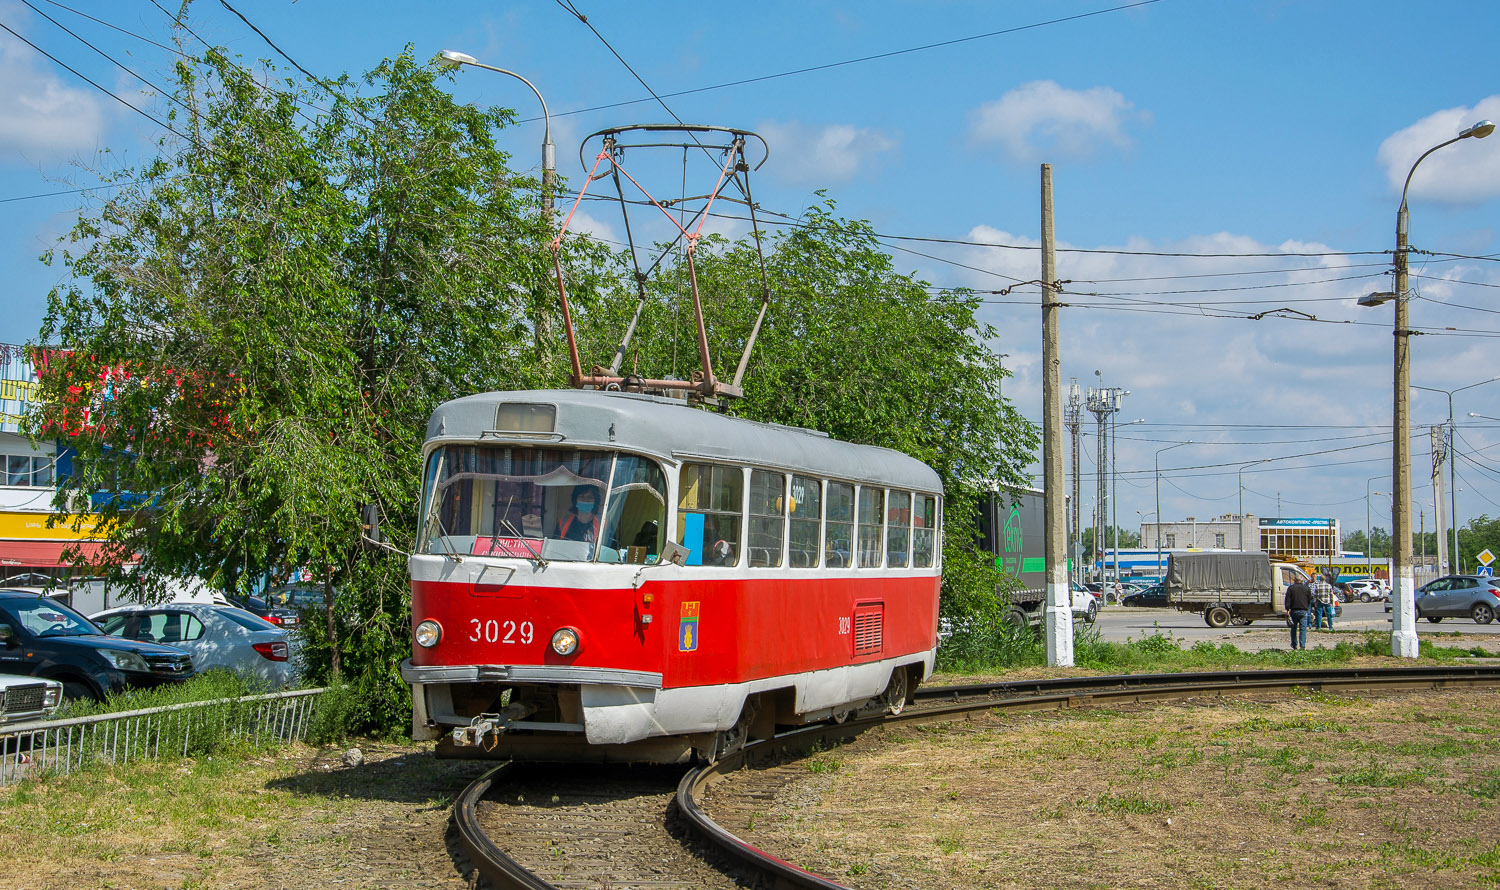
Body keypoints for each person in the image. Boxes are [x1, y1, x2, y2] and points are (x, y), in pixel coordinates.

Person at [1285, 574, 1313, 650]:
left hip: (1294, 610)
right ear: (1302, 580)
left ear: (1294, 580)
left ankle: (1294, 644)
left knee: (1293, 628)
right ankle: (1302, 645)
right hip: (1303, 610)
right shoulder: (1306, 588)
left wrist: (1287, 609)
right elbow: (1309, 599)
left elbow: (1287, 600)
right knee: (1303, 629)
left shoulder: (1291, 588)